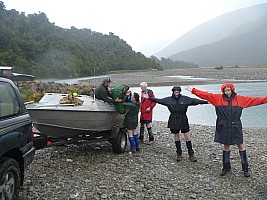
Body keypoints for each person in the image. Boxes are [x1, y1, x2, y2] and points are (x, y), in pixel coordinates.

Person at [186, 83, 267, 177]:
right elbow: (205, 95)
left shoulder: (241, 99)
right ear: (223, 90)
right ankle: (226, 167)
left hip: (235, 125)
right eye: (225, 88)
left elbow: (256, 100)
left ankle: (245, 168)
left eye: (229, 88)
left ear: (232, 89)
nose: (227, 89)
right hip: (223, 125)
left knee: (240, 145)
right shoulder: (216, 98)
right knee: (226, 145)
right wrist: (193, 90)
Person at [143, 86, 208, 162]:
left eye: (178, 90)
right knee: (176, 137)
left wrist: (206, 102)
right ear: (173, 91)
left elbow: (196, 101)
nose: (176, 91)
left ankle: (191, 154)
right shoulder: (168, 100)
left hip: (183, 118)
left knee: (187, 137)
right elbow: (159, 100)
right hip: (173, 118)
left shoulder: (185, 99)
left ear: (180, 91)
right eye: (175, 90)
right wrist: (149, 98)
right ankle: (179, 154)